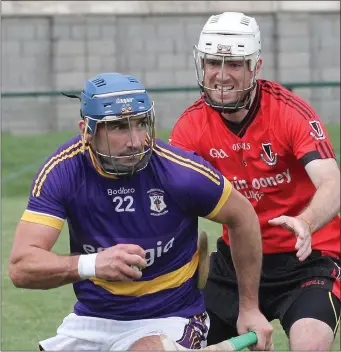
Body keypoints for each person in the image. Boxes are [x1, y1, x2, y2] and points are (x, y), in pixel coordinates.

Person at [8, 72, 273, 351]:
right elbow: (22, 267)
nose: (136, 141)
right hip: (94, 319)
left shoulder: (180, 172)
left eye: (141, 124)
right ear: (87, 130)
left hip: (171, 317)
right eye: (120, 127)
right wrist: (92, 264)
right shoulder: (62, 171)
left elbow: (243, 217)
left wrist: (250, 308)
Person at [169, 11, 341, 351]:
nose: (220, 75)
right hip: (236, 261)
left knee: (311, 342)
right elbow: (168, 196)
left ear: (254, 67)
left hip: (308, 259)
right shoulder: (190, 126)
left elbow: (332, 182)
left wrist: (305, 222)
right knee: (185, 342)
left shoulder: (290, 112)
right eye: (212, 63)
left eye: (233, 64)